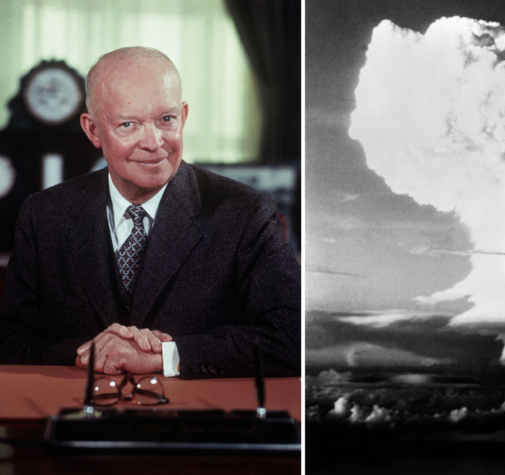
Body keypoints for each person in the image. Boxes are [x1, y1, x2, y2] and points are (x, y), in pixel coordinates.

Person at [0, 47, 301, 379]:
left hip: (198, 424)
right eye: (129, 124)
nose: (154, 142)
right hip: (78, 420)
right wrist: (94, 353)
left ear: (183, 116)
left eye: (166, 119)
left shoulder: (245, 214)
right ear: (93, 130)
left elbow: (292, 338)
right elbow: (10, 342)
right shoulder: (44, 216)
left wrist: (165, 356)